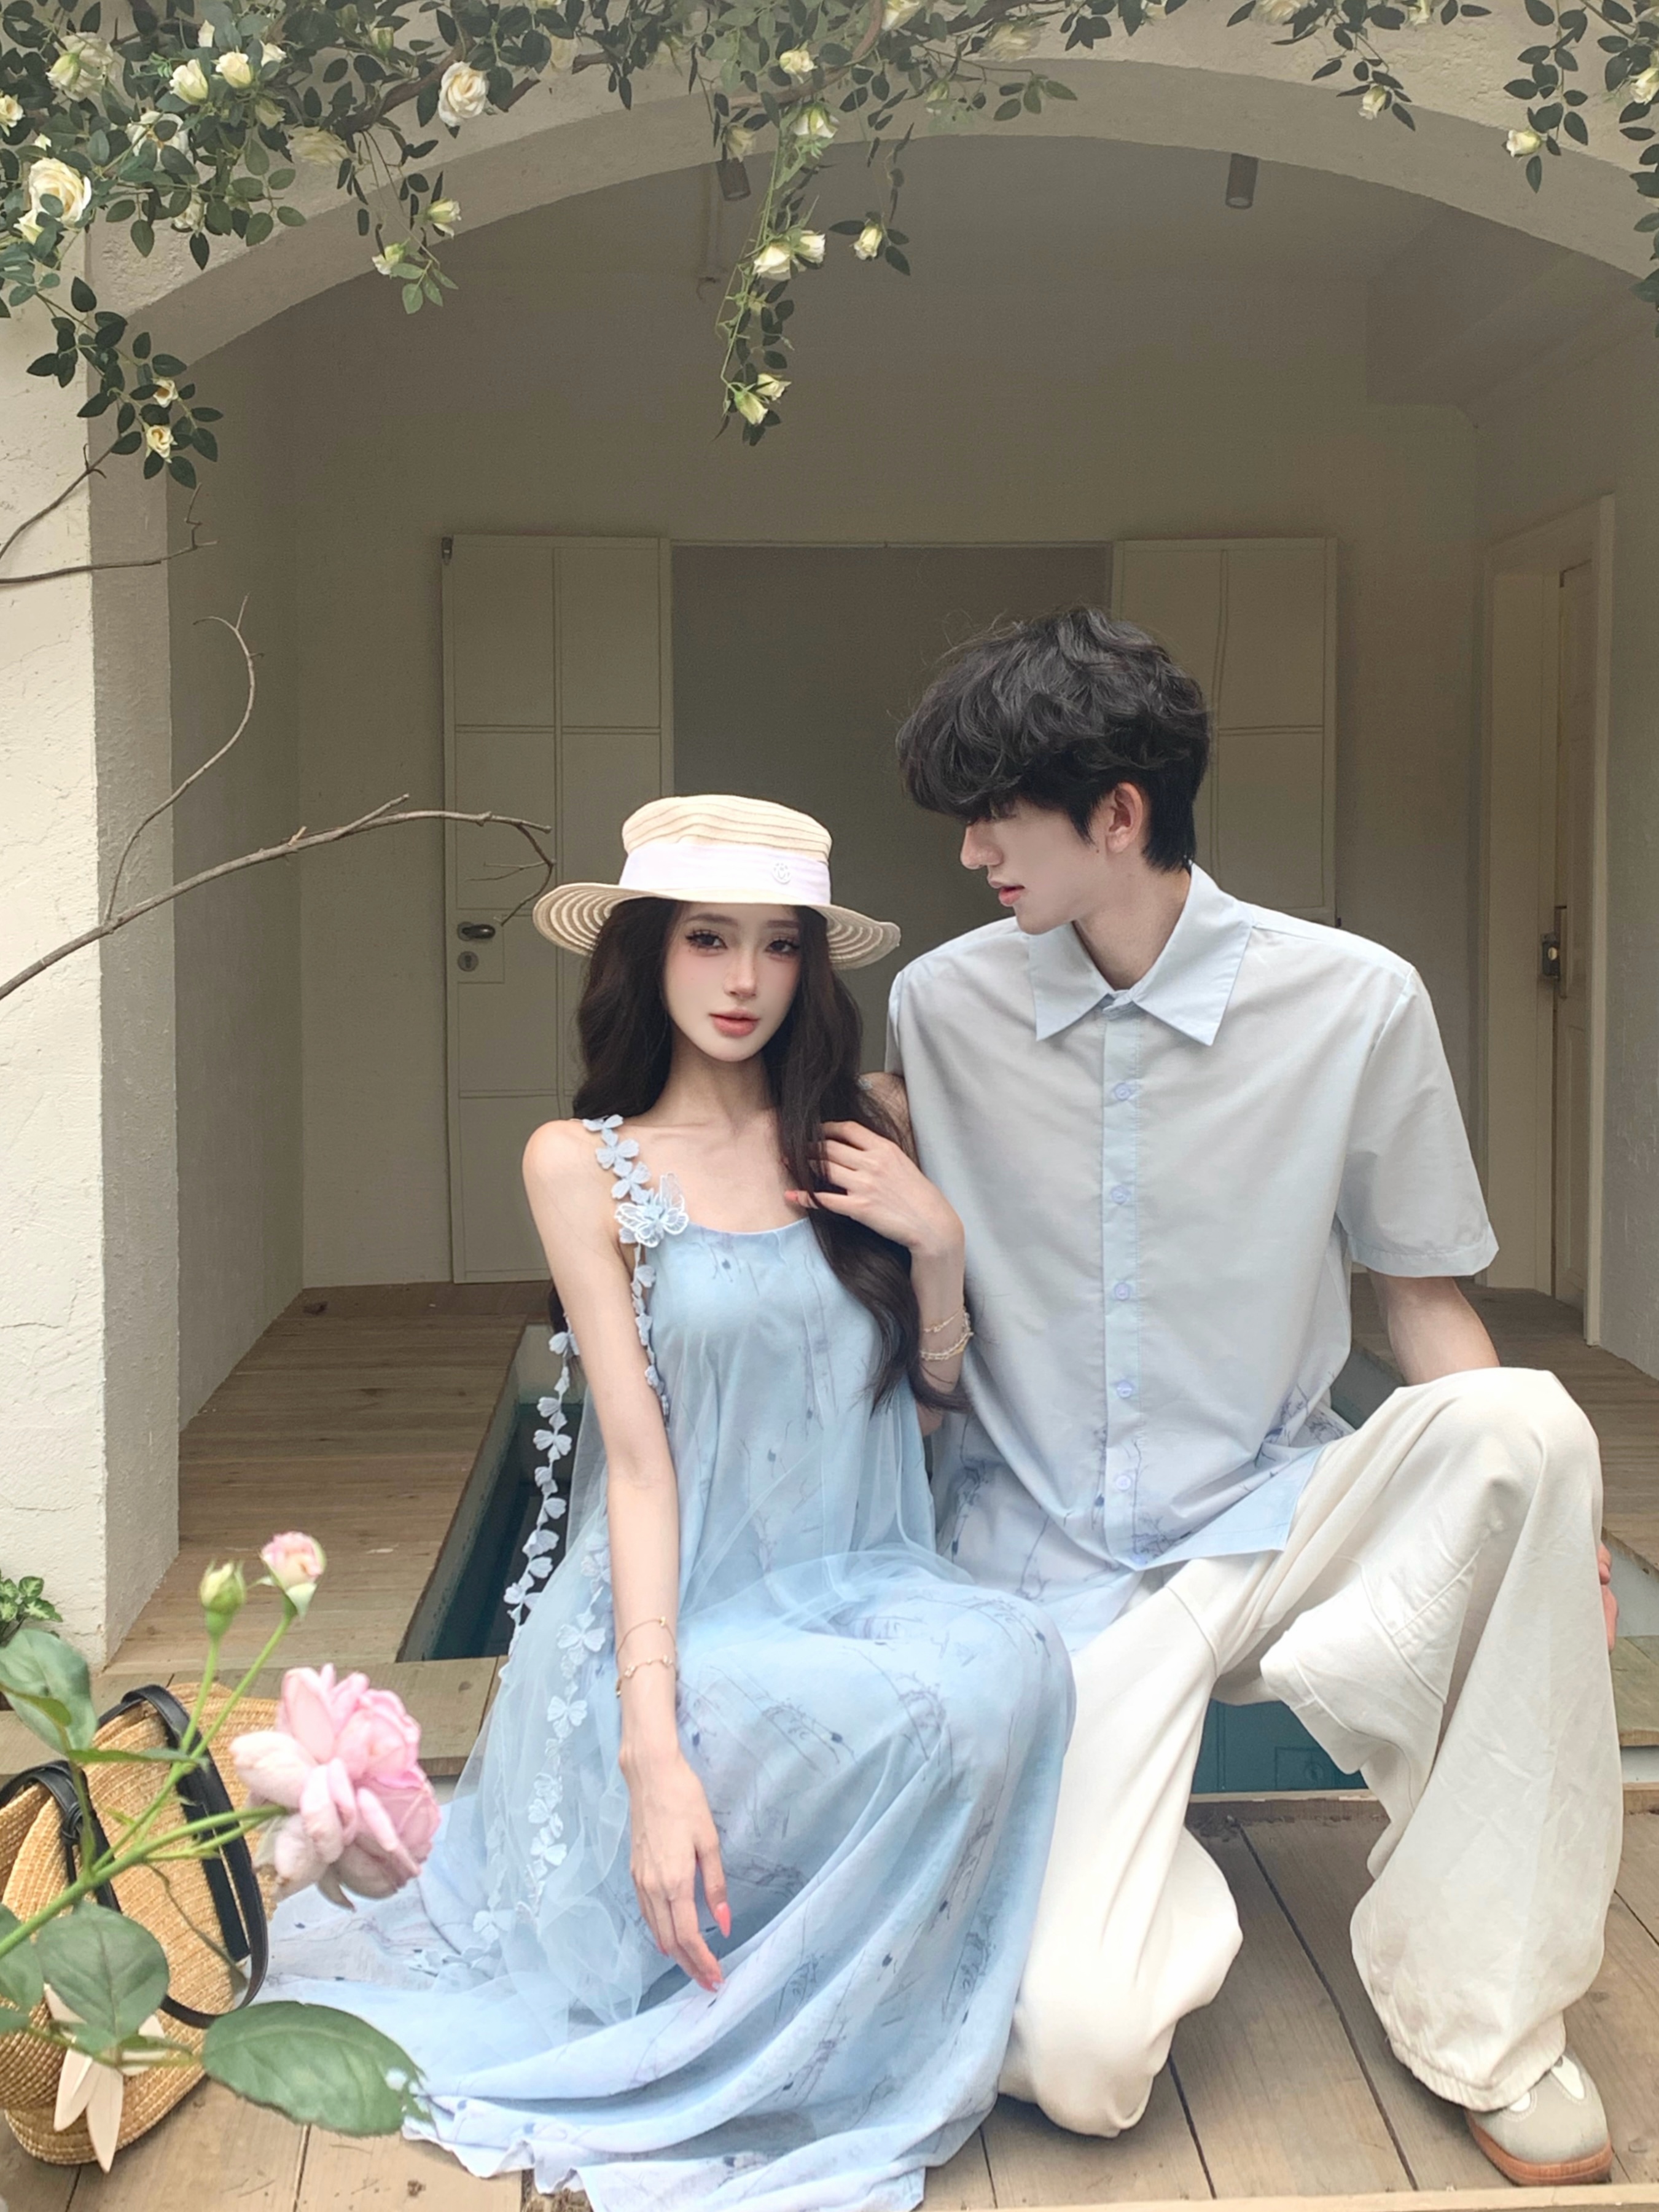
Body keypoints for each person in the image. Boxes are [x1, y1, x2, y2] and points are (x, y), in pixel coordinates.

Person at [883, 609, 1623, 2188]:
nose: (968, 852)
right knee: (1081, 2056)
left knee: (1532, 1430)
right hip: (1051, 1562)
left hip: (1277, 1518)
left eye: (994, 813)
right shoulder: (939, 1009)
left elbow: (1420, 1297)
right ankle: (1152, 1885)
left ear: (1119, 813)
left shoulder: (1357, 1002)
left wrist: (1558, 1539)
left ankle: (1491, 2016)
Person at [265, 794, 1072, 2212]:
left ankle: (842, 2028)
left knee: (1018, 1662)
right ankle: (768, 2038)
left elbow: (922, 1416)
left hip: (863, 1579)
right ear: (645, 952)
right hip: (672, 1618)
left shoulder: (866, 1128)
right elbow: (636, 1463)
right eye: (707, 938)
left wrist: (937, 1246)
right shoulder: (581, 1163)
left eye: (778, 944)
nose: (745, 979)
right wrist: (649, 1747)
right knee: (920, 1708)